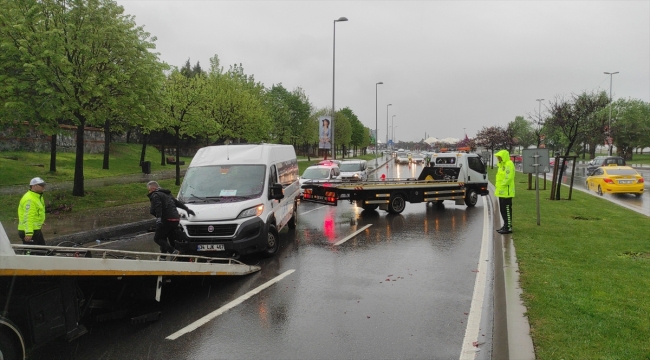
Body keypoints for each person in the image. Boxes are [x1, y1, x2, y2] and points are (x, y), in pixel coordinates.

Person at [147, 181, 195, 260]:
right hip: (175, 219)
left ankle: (173, 251)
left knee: (158, 238)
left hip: (166, 219)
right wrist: (187, 209)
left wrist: (159, 218)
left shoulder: (155, 195)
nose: (149, 192)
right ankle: (163, 257)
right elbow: (177, 203)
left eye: (149, 190)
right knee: (165, 238)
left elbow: (158, 206)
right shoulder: (167, 194)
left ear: (153, 188)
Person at [18, 177, 47, 245]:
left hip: (35, 229)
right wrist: (28, 233)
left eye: (44, 185)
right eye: (41, 185)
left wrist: (40, 221)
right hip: (28, 231)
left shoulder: (37, 196)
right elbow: (28, 217)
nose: (44, 187)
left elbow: (37, 213)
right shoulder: (30, 199)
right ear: (34, 186)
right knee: (31, 252)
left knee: (42, 251)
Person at [495, 149, 515, 234]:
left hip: (506, 192)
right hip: (501, 192)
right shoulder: (501, 165)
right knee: (502, 210)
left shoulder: (508, 164)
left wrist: (502, 186)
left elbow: (508, 178)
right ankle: (505, 225)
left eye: (499, 157)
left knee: (506, 209)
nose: (498, 158)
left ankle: (508, 227)